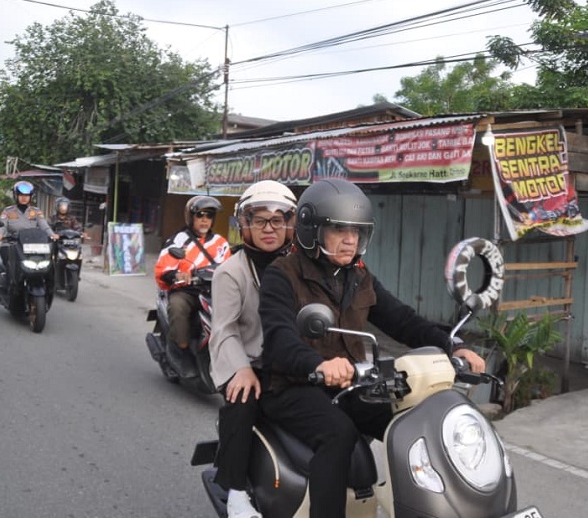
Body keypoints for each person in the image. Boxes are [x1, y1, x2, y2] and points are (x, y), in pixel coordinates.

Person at [257, 179, 486, 518]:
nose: (350, 239)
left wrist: (452, 345)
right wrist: (318, 365)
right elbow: (279, 339)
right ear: (311, 230)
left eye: (357, 231)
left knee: (417, 419)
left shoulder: (358, 275)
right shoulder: (283, 275)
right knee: (337, 433)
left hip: (350, 382)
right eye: (339, 229)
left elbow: (402, 319)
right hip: (292, 385)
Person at [209, 181, 297, 518]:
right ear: (245, 224)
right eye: (260, 220)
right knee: (242, 401)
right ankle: (235, 491)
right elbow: (225, 329)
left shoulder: (299, 266)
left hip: (290, 358)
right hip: (247, 359)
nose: (269, 229)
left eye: (278, 220)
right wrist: (241, 368)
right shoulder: (231, 271)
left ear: (290, 223)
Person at [154, 195, 231, 351]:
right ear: (191, 217)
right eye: (200, 215)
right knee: (177, 307)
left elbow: (228, 266)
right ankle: (180, 350)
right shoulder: (179, 240)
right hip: (186, 291)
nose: (204, 220)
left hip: (213, 292)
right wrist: (177, 275)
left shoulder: (220, 242)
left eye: (209, 215)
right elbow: (164, 268)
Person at [0, 181, 57, 289]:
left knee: (48, 262)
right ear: (16, 196)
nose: (24, 198)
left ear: (30, 197)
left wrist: (52, 235)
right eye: (21, 195)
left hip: (32, 244)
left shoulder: (36, 212)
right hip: (12, 243)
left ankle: (48, 285)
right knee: (6, 258)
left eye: (27, 196)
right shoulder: (8, 211)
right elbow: (1, 225)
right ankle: (8, 284)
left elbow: (44, 226)